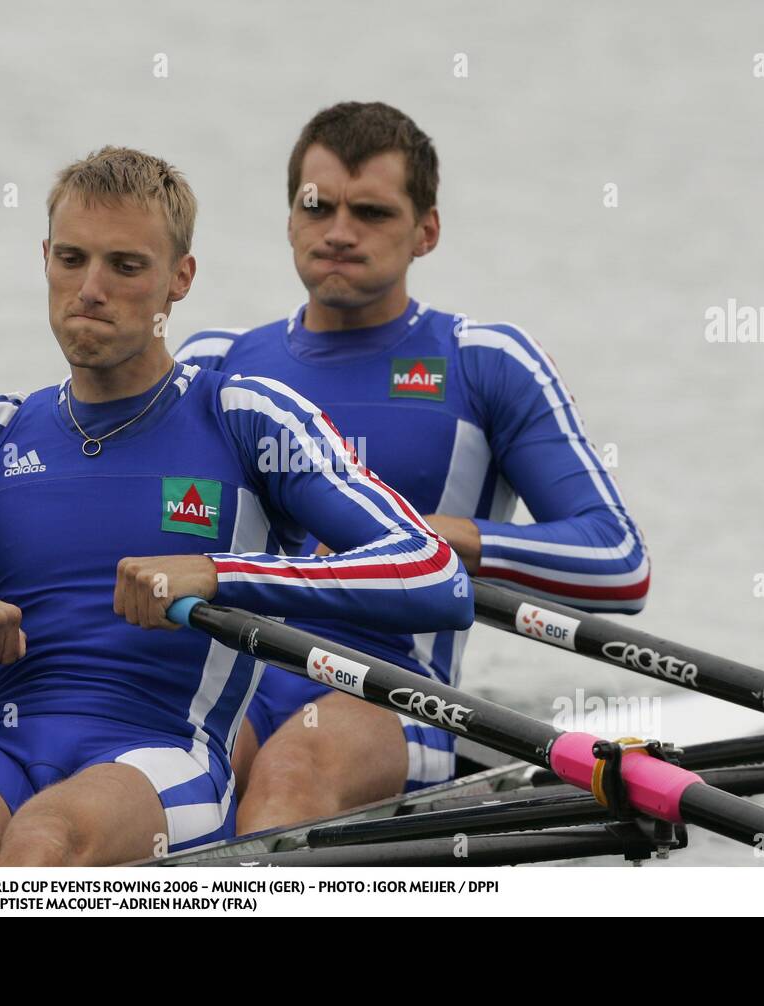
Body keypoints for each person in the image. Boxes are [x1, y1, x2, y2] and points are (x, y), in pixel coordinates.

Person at [0, 145, 472, 866]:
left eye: (125, 265)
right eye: (71, 259)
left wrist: (217, 575)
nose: (91, 288)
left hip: (161, 751)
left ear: (180, 278)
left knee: (44, 843)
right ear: (45, 259)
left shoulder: (245, 418)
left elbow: (433, 575)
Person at [176, 102, 650, 834]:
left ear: (425, 231)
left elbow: (618, 566)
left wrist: (442, 541)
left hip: (394, 694)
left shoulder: (486, 363)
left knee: (291, 774)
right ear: (290, 219)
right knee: (151, 775)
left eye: (370, 212)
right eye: (317, 206)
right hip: (236, 674)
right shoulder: (216, 364)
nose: (338, 231)